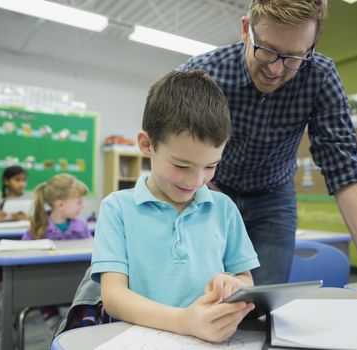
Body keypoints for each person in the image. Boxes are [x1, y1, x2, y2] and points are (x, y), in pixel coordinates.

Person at [179, 0, 357, 291]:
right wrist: (199, 184)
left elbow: (343, 165)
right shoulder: (203, 73)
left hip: (273, 198)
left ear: (312, 44)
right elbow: (170, 144)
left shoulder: (320, 76)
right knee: (198, 289)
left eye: (294, 57)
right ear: (247, 29)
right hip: (211, 189)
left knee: (260, 300)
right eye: (268, 51)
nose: (276, 69)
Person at [91, 70, 260, 342]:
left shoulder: (224, 208)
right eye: (182, 165)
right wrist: (185, 322)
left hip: (209, 340)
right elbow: (113, 298)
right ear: (147, 145)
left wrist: (235, 285)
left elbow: (246, 279)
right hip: (138, 340)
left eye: (211, 166)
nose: (196, 180)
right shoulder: (117, 208)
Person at [22, 173, 91, 330]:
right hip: (46, 282)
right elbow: (23, 255)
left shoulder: (81, 225)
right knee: (41, 285)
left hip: (76, 281)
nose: (83, 206)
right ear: (60, 205)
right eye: (79, 202)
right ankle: (51, 314)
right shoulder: (38, 226)